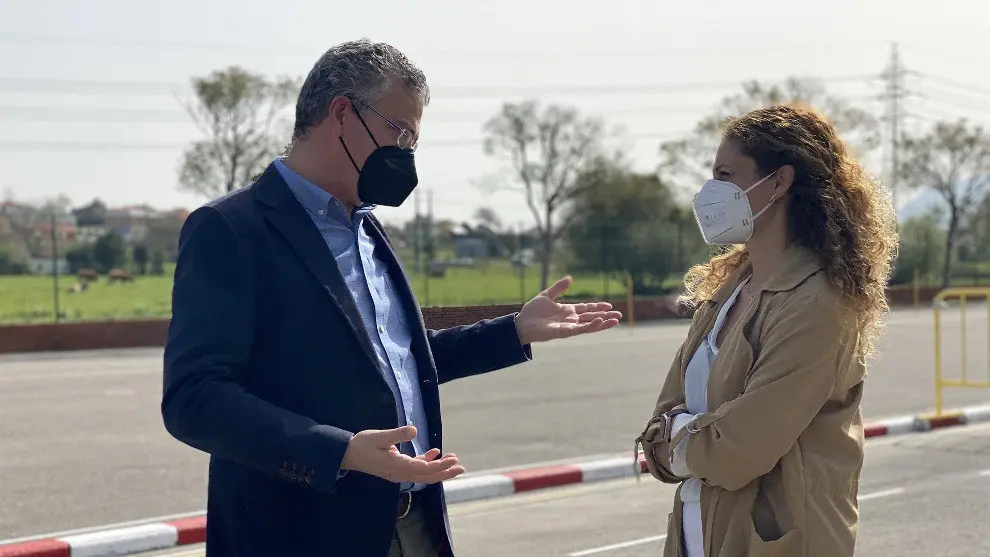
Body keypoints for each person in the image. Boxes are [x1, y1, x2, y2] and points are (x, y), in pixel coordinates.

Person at [162, 39, 622, 557]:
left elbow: (396, 360)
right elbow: (194, 399)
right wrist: (340, 451)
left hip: (412, 523)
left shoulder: (367, 230)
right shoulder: (231, 229)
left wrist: (512, 330)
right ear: (341, 114)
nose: (405, 153)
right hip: (300, 532)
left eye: (413, 141)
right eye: (399, 131)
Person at [635, 104, 898, 557]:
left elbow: (739, 450)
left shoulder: (818, 302)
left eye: (725, 175)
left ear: (778, 182)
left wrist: (679, 438)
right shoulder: (728, 290)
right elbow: (658, 427)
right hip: (698, 539)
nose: (710, 192)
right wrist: (689, 437)